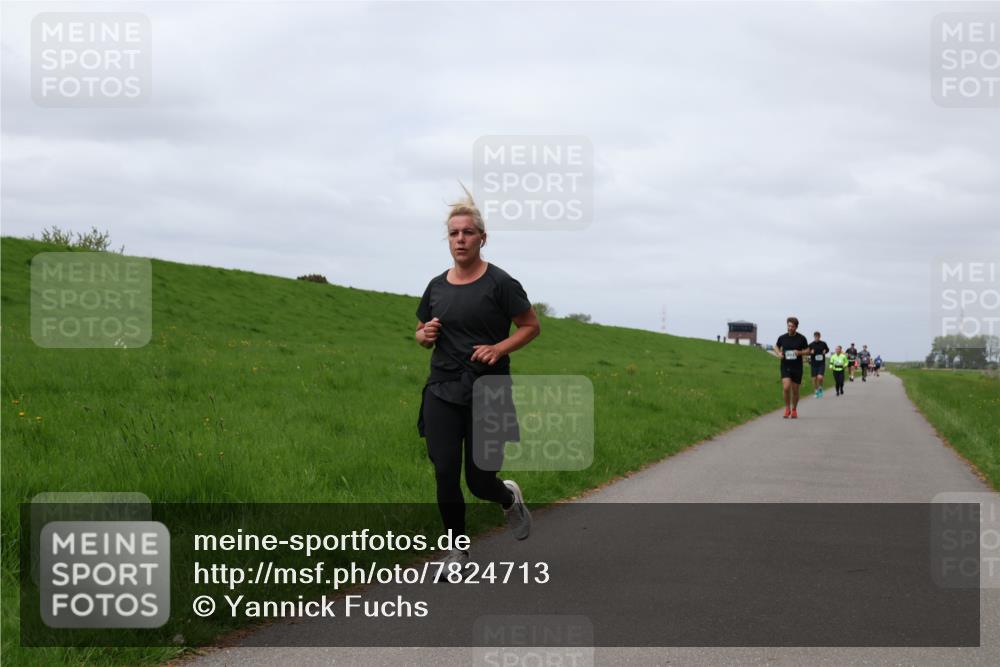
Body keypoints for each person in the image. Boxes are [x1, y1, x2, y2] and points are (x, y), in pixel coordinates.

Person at [415, 188, 540, 566]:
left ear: (482, 238)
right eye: (454, 233)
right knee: (445, 471)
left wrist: (499, 348)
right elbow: (421, 331)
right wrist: (425, 335)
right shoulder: (436, 286)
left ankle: (507, 497)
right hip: (442, 388)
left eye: (468, 232)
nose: (460, 239)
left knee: (479, 481)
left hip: (489, 390)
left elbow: (530, 326)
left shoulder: (501, 283)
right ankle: (457, 550)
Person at [775, 316, 810, 419]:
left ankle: (794, 409)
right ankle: (787, 409)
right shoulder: (782, 337)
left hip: (797, 367)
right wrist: (779, 353)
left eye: (792, 326)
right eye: (789, 326)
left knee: (795, 390)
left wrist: (799, 352)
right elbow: (776, 346)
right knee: (786, 387)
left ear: (796, 327)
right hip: (785, 365)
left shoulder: (801, 338)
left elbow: (808, 350)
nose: (790, 328)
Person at [808, 331, 830, 398]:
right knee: (814, 378)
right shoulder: (811, 344)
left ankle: (820, 387)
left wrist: (825, 351)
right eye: (815, 337)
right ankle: (816, 391)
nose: (816, 338)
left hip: (821, 363)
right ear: (814, 337)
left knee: (820, 377)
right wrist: (810, 352)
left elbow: (827, 349)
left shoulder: (823, 343)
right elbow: (807, 352)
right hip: (814, 363)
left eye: (818, 336)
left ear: (820, 337)